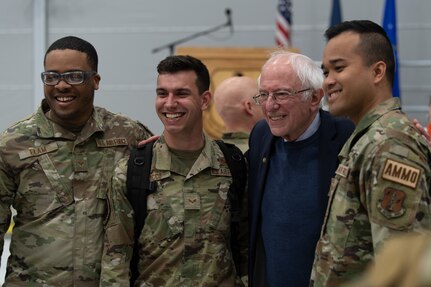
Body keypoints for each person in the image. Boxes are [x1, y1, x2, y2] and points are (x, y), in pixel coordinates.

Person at [0, 36, 152, 286]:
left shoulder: (129, 136)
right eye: (51, 76)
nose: (61, 85)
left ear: (95, 80)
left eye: (74, 76)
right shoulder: (13, 143)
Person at [311, 20, 431, 286]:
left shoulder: (389, 145)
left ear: (377, 72)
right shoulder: (368, 139)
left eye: (339, 68)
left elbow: (403, 271)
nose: (328, 81)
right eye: (325, 71)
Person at [111, 55, 248, 286]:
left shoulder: (233, 164)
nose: (170, 103)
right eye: (162, 93)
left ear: (205, 100)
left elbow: (245, 249)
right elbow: (115, 258)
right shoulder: (133, 172)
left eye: (181, 94)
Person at [247, 50, 355, 287]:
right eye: (263, 95)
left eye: (281, 94)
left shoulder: (350, 136)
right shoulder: (260, 135)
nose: (269, 105)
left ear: (315, 98)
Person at [213, 76, 264, 152]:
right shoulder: (264, 152)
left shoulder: (210, 153)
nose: (268, 105)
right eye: (261, 98)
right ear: (249, 107)